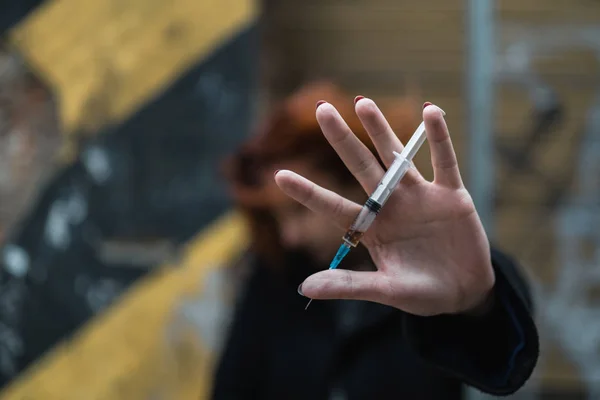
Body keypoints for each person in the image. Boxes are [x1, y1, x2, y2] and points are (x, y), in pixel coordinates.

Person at [212, 82, 538, 399]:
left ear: (359, 183)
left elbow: (502, 352)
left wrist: (476, 301)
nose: (290, 236)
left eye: (300, 211)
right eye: (277, 218)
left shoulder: (434, 266)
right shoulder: (275, 280)